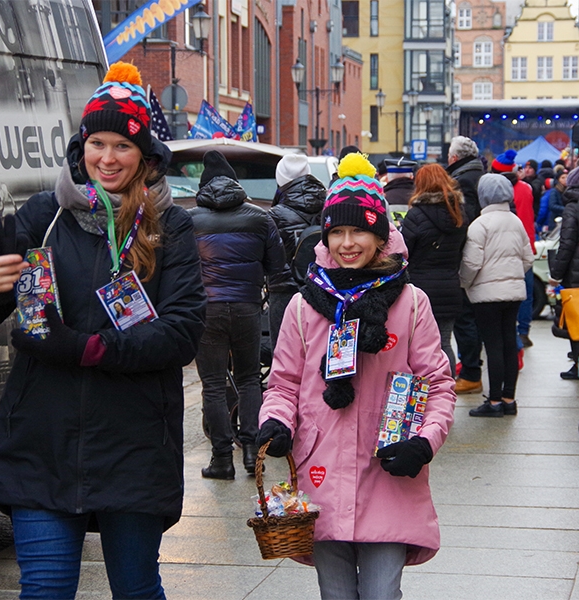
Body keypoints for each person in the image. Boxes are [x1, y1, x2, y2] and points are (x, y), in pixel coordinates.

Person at [0, 62, 207, 599]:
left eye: (122, 146)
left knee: (135, 588)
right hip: (42, 439)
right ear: (80, 147)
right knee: (44, 589)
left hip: (134, 442)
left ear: (145, 156)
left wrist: (87, 348)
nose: (107, 158)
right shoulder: (44, 215)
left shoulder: (170, 226)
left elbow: (181, 333)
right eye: (97, 143)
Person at [256, 152, 456, 599]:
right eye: (338, 232)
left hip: (388, 473)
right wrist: (276, 422)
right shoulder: (304, 306)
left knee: (382, 593)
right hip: (321, 472)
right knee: (336, 594)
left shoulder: (411, 303)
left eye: (360, 230)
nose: (348, 243)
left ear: (380, 234)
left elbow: (438, 384)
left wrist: (423, 442)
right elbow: (284, 383)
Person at [191, 150, 285, 479]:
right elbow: (278, 270)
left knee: (213, 385)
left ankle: (221, 459)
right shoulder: (260, 218)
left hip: (207, 310)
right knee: (249, 381)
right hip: (247, 307)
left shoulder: (191, 220)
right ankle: (250, 452)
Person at [460, 173, 533, 417]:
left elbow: (471, 262)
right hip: (513, 293)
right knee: (509, 344)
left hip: (486, 295)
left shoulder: (480, 225)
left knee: (493, 347)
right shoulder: (515, 221)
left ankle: (493, 403)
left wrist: (466, 284)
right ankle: (509, 399)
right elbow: (527, 258)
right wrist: (512, 275)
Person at [401, 163, 468, 374]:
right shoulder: (458, 213)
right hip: (449, 287)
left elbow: (404, 251)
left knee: (417, 345)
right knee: (444, 343)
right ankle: (446, 387)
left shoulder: (415, 215)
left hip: (420, 290)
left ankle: (423, 392)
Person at [268, 153, 327, 349]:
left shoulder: (275, 214)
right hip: (323, 287)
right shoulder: (327, 205)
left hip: (284, 290)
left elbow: (268, 256)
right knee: (317, 350)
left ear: (280, 179)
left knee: (285, 353)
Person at [446, 136, 486, 394]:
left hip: (468, 257)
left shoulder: (463, 180)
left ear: (454, 158)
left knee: (465, 318)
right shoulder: (478, 172)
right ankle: (471, 367)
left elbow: (465, 220)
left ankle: (471, 372)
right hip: (482, 255)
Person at [549, 164, 579, 380]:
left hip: (575, 273)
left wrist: (556, 273)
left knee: (575, 322)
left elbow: (566, 243)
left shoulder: (572, 207)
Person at [492, 153, 537, 348]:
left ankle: (506, 332)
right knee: (525, 291)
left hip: (503, 247)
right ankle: (524, 331)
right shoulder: (526, 189)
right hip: (525, 244)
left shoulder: (496, 192)